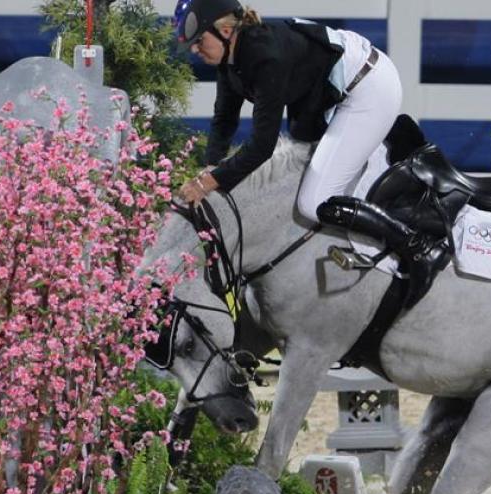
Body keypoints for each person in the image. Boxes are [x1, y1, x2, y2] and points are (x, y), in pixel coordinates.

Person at [175, 0, 444, 303]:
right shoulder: (232, 57)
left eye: (199, 42)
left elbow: (262, 146)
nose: (196, 51)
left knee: (314, 200)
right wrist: (210, 168)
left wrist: (207, 184)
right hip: (335, 92)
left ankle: (419, 249)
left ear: (225, 30)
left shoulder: (264, 56)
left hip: (368, 88)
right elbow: (224, 120)